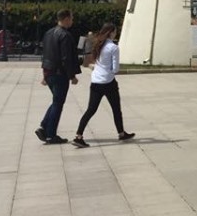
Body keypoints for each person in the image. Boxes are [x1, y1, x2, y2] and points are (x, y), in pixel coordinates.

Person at [71, 23, 135, 148]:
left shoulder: (98, 44)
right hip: (109, 82)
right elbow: (115, 68)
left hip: (96, 81)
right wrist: (110, 71)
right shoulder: (113, 47)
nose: (116, 33)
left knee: (91, 110)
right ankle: (121, 133)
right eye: (115, 31)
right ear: (110, 33)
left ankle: (79, 136)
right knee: (116, 109)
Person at [36, 9, 81, 145]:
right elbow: (66, 58)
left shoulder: (48, 33)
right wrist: (72, 76)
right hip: (59, 74)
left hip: (48, 72)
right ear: (66, 19)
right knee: (58, 103)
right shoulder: (65, 36)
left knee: (56, 101)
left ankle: (44, 127)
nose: (72, 21)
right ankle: (51, 134)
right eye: (72, 18)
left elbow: (45, 55)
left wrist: (44, 75)